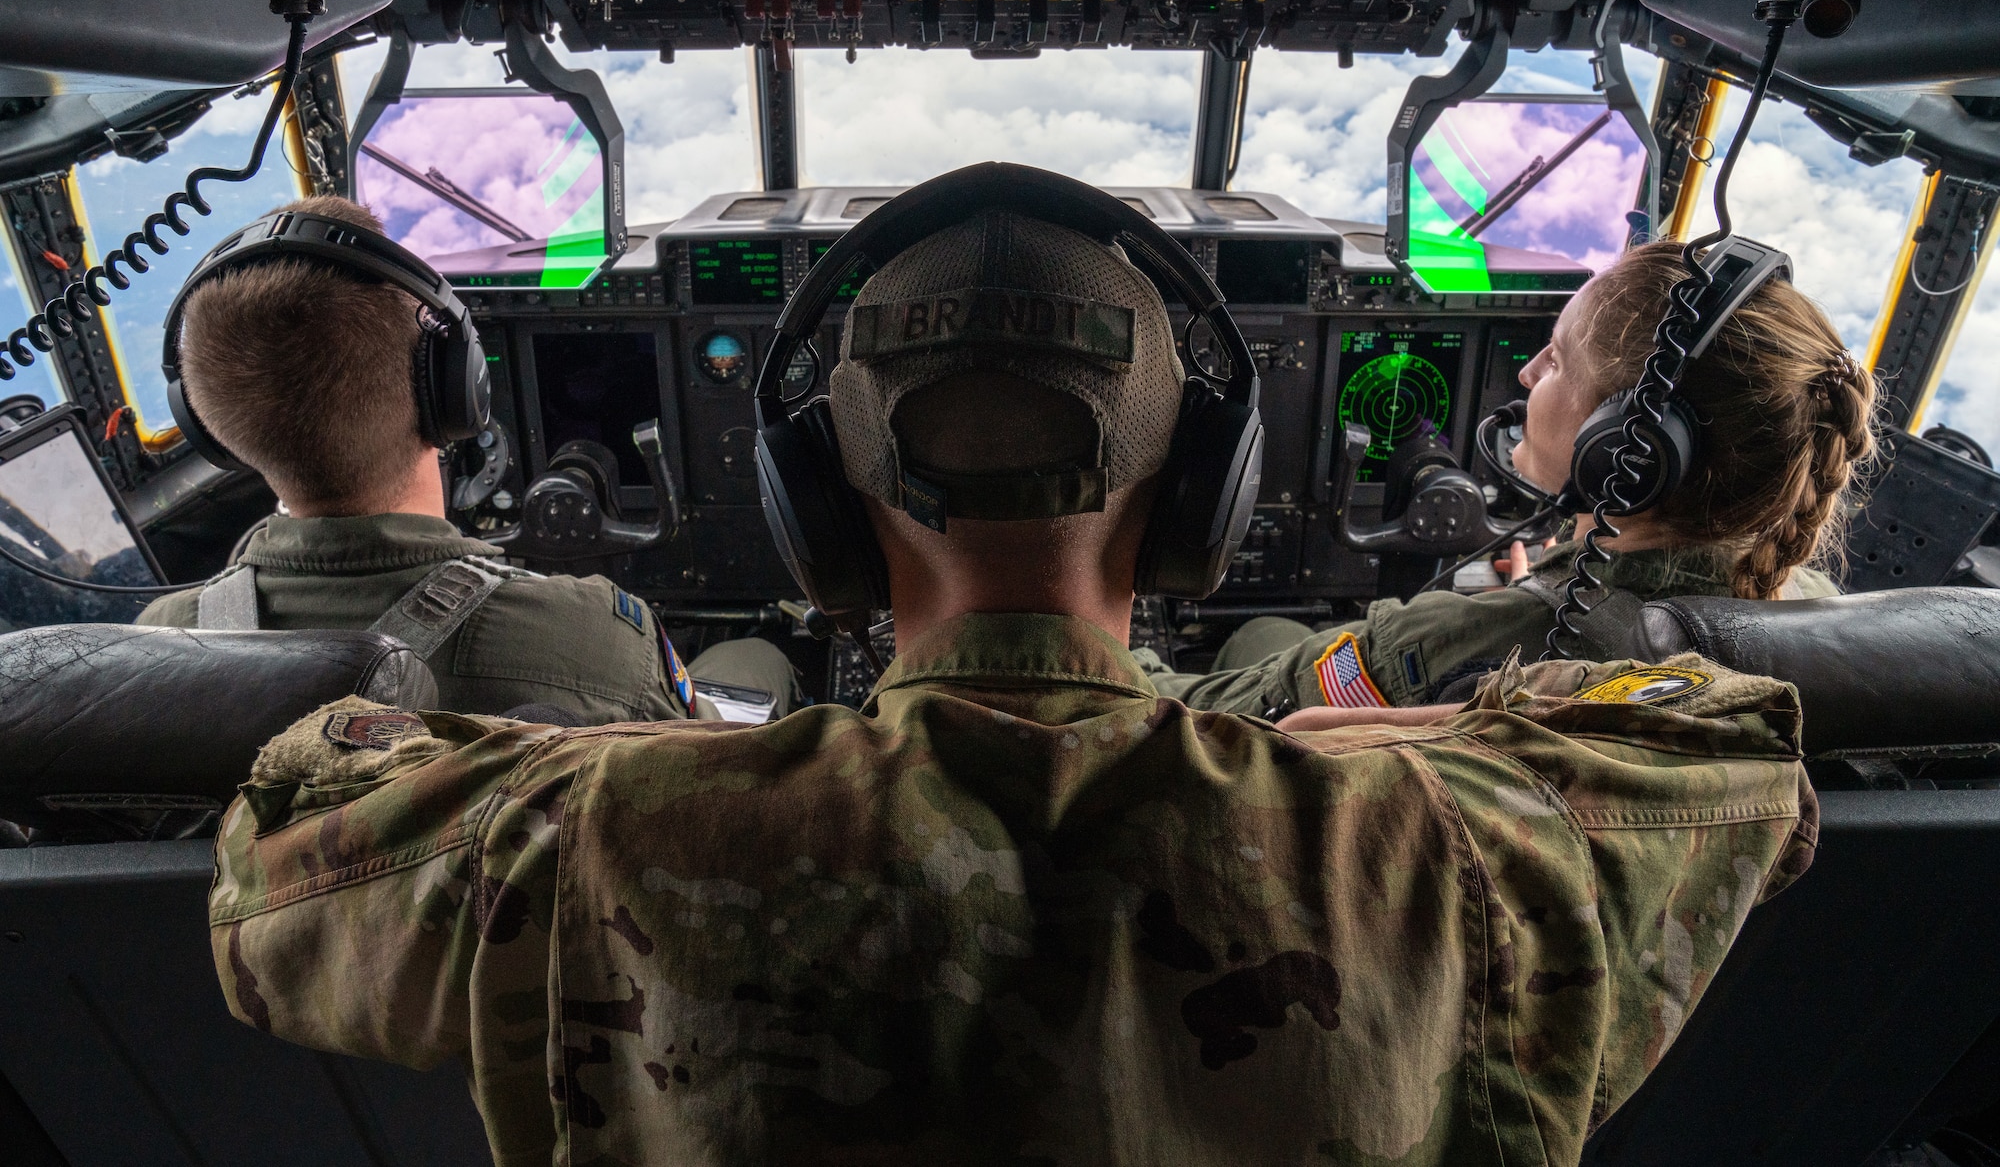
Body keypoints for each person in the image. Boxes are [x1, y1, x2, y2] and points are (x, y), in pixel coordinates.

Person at [208, 194, 1816, 1166]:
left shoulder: (587, 838)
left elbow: (278, 836)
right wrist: (1375, 736)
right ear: (1206, 503)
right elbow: (1729, 735)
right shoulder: (1445, 844)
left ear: (817, 511)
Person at [1150, 239, 1876, 718]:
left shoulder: (1470, 641)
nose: (1527, 375)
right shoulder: (1821, 616)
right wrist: (1557, 585)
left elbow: (1190, 716)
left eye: (1557, 361)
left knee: (1261, 634)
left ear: (1629, 446)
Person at [140, 194, 794, 725]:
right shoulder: (595, 641)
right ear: (456, 390)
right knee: (758, 654)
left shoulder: (157, 650)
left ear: (210, 428)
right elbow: (709, 759)